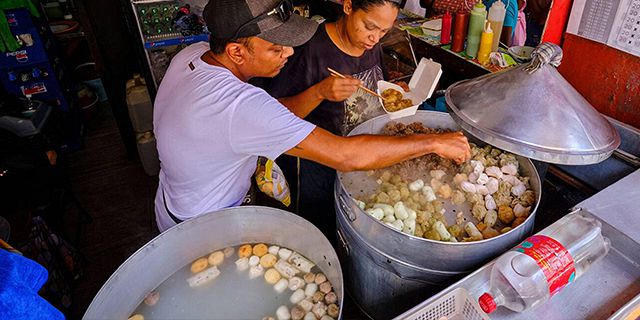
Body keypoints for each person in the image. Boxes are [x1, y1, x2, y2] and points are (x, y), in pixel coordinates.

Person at [153, 0, 471, 233]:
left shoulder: (191, 55)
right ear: (237, 52)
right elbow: (345, 156)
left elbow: (267, 119)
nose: (289, 53)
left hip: (173, 200)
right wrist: (433, 142)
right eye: (276, 48)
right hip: (204, 225)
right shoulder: (242, 105)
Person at [256, 0, 413, 237]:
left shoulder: (371, 44)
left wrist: (394, 90)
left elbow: (376, 88)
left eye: (384, 31)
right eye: (370, 27)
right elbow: (276, 117)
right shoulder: (310, 48)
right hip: (317, 170)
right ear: (349, 6)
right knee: (319, 229)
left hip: (363, 161)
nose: (376, 38)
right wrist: (320, 92)